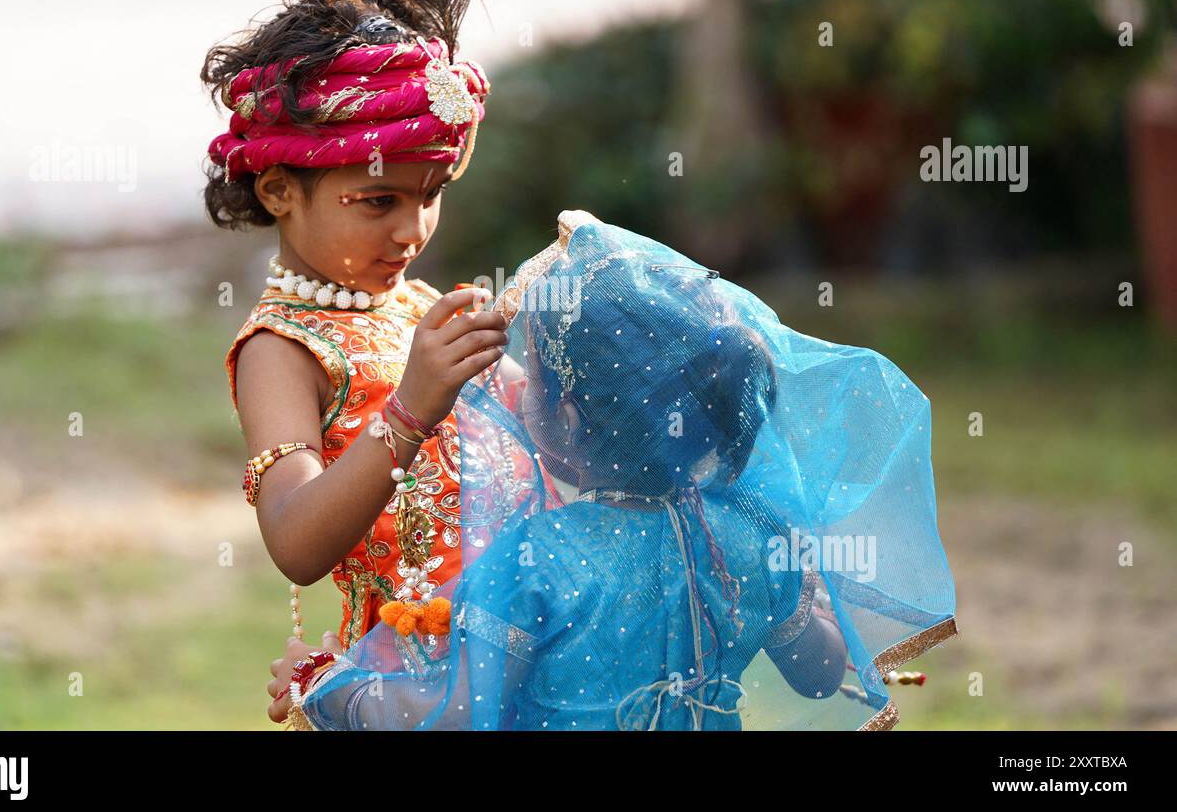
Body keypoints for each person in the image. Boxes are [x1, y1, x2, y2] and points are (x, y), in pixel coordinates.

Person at [277, 209, 958, 730]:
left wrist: (325, 683)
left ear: (568, 419)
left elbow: (453, 714)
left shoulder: (536, 558)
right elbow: (817, 674)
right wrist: (798, 591)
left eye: (532, 380)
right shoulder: (752, 535)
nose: (518, 390)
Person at [198, 0, 524, 725]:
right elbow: (298, 543)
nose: (411, 230)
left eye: (432, 192)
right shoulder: (283, 348)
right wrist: (413, 407)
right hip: (401, 695)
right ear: (277, 190)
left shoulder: (422, 310)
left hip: (508, 662)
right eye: (378, 202)